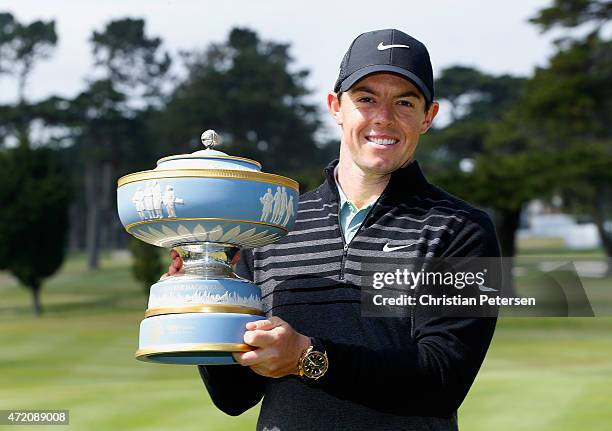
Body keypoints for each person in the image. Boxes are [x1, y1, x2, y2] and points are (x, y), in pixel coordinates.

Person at [165, 28, 501, 431]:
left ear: (428, 116)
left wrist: (309, 356)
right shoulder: (272, 225)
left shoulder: (462, 229)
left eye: (405, 102)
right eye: (366, 99)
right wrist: (206, 300)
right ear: (335, 107)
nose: (383, 117)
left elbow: (443, 380)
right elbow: (235, 396)